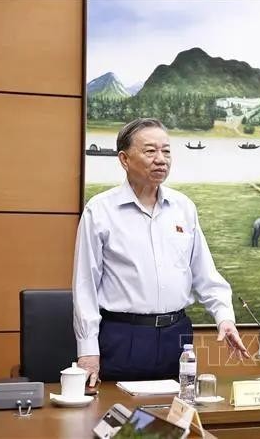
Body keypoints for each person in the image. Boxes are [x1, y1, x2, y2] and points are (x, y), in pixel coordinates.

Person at [73, 118, 250, 386]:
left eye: (166, 151)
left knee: (176, 418)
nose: (161, 159)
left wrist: (224, 318)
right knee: (120, 419)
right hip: (123, 336)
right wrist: (88, 351)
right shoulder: (100, 211)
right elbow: (85, 286)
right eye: (150, 151)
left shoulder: (183, 207)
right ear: (124, 158)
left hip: (176, 338)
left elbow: (205, 274)